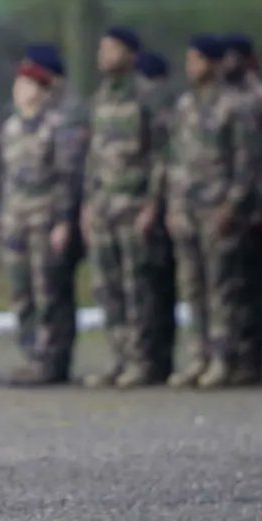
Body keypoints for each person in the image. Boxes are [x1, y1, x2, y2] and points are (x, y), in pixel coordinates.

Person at [164, 34, 256, 389]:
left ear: (215, 64)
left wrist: (232, 204)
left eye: (197, 60)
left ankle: (224, 359)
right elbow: (176, 160)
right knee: (192, 288)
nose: (191, 67)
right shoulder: (186, 105)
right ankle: (198, 357)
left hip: (218, 209)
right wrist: (173, 206)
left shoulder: (234, 106)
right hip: (188, 210)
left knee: (223, 289)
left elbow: (245, 163)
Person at [81, 27, 168, 387]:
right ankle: (119, 357)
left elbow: (162, 155)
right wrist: (86, 203)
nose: (104, 55)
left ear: (131, 54)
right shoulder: (101, 97)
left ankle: (143, 361)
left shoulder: (149, 96)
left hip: (134, 206)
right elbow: (93, 156)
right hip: (103, 207)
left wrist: (153, 204)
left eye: (112, 49)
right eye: (102, 48)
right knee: (107, 287)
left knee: (139, 288)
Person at [0, 48, 87, 385]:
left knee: (50, 293)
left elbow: (67, 177)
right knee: (22, 294)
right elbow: (6, 178)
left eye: (28, 83)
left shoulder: (57, 126)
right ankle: (32, 356)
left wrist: (64, 221)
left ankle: (54, 361)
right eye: (19, 83)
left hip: (46, 221)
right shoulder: (11, 128)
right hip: (16, 221)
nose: (20, 89)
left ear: (42, 88)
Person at [221, 33, 262, 385]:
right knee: (229, 288)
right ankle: (233, 357)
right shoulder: (222, 99)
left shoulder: (261, 100)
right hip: (227, 205)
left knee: (249, 287)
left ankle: (250, 360)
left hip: (253, 210)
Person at [135, 49, 177, 376]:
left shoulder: (161, 113)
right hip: (145, 210)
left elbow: (164, 163)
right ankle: (143, 358)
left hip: (158, 209)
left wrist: (155, 204)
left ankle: (156, 360)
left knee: (154, 289)